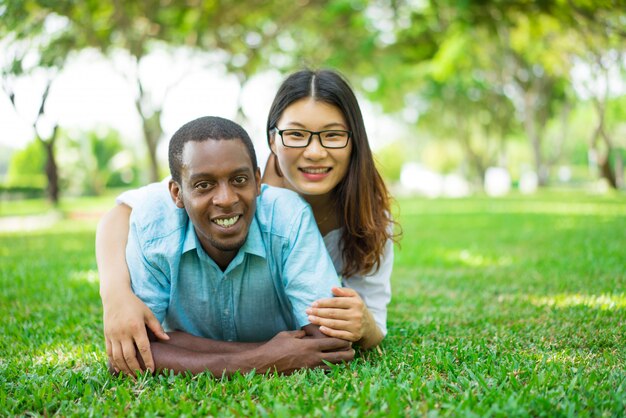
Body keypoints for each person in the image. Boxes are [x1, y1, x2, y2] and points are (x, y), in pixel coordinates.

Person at [96, 69, 397, 376]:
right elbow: (120, 216)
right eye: (296, 134)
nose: (315, 151)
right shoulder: (202, 185)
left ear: (354, 141)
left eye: (332, 135)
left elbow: (340, 338)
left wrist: (367, 325)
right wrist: (115, 294)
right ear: (273, 140)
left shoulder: (357, 224)